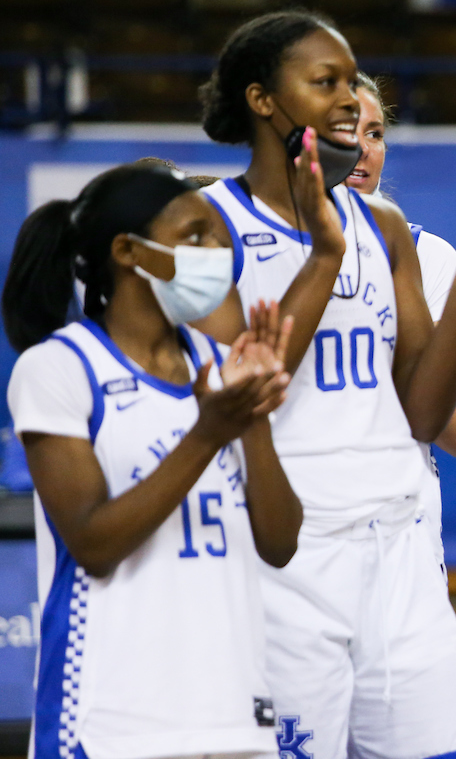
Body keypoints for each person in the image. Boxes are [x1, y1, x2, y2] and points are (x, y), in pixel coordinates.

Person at [194, 9, 456, 759]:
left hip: (400, 549)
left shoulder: (388, 227)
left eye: (353, 84)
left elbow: (424, 413)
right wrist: (324, 253)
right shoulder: (205, 223)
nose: (348, 101)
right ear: (261, 99)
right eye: (324, 82)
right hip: (283, 556)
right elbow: (244, 386)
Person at [2, 163, 302, 759]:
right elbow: (93, 543)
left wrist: (256, 414)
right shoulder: (58, 368)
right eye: (195, 236)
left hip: (234, 712)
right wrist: (209, 434)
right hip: (113, 718)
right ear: (127, 252)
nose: (218, 251)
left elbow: (280, 542)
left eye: (218, 236)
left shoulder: (219, 366)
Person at [345, 71, 456, 572]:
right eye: (344, 130)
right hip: (294, 527)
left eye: (375, 133)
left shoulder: (430, 258)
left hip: (403, 531)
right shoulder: (262, 250)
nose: (363, 149)